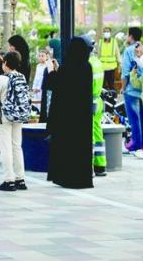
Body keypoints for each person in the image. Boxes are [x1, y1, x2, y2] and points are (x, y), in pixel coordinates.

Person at [47, 37, 94, 189]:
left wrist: (52, 71)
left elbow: (58, 85)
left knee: (66, 148)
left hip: (66, 118)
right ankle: (81, 178)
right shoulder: (87, 67)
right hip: (82, 117)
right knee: (80, 149)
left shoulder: (68, 67)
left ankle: (66, 176)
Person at [0, 52, 28, 191]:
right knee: (17, 146)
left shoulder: (0, 79)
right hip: (18, 116)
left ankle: (9, 180)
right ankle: (20, 179)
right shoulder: (21, 77)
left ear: (5, 63)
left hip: (4, 117)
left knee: (6, 147)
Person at [85, 36, 107, 176]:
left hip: (88, 101)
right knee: (98, 133)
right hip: (98, 101)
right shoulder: (97, 62)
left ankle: (89, 167)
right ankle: (100, 165)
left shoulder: (87, 64)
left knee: (88, 135)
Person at [121, 27, 143, 155]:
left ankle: (135, 145)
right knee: (140, 117)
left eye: (127, 35)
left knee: (134, 118)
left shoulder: (129, 50)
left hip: (131, 89)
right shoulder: (141, 48)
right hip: (141, 89)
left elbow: (125, 73)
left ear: (130, 36)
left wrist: (123, 88)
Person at [98, 27, 121, 91]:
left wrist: (119, 65)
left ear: (110, 33)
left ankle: (112, 99)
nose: (106, 33)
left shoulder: (114, 42)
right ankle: (103, 99)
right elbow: (98, 55)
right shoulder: (100, 42)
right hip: (102, 68)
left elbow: (117, 53)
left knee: (111, 86)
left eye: (108, 32)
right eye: (105, 32)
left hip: (111, 68)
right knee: (102, 86)